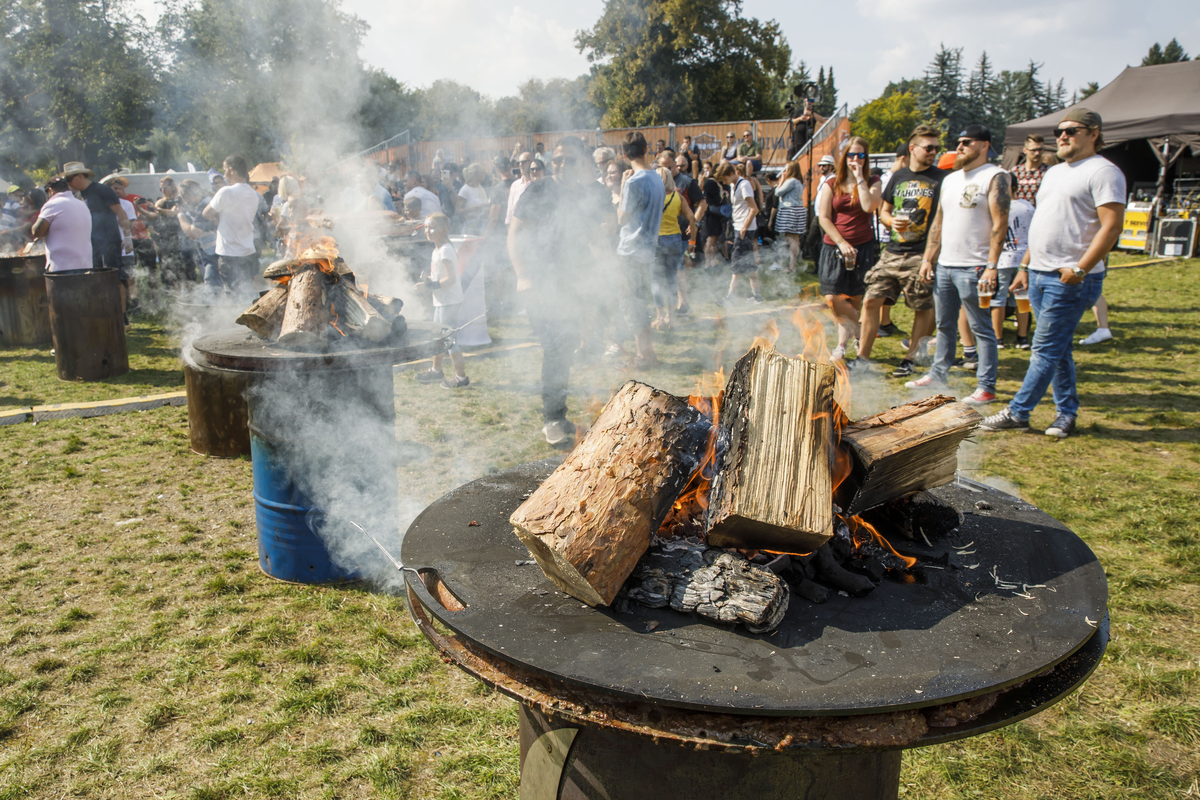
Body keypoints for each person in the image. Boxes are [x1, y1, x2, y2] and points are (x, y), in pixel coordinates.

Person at [980, 108, 1124, 439]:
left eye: (1071, 130)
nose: (1062, 136)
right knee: (1058, 350)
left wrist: (1080, 268)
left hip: (1069, 278)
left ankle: (1018, 412)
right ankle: (1066, 413)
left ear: (1094, 133)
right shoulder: (1055, 172)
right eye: (1060, 131)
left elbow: (1112, 225)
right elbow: (1043, 223)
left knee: (1044, 348)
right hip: (1041, 273)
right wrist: (1026, 265)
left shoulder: (1104, 171)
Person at [508, 136, 613, 446]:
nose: (562, 165)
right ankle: (552, 420)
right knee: (556, 345)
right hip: (539, 284)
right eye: (557, 160)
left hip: (573, 284)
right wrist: (523, 275)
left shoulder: (587, 195)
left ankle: (558, 413)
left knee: (566, 346)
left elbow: (599, 235)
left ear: (583, 163)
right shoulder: (537, 190)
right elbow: (514, 234)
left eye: (570, 160)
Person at [905, 125, 1008, 405]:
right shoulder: (950, 180)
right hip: (946, 266)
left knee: (981, 328)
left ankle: (986, 386)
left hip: (974, 266)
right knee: (944, 325)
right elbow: (938, 222)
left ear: (984, 145)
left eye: (967, 142)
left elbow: (1000, 224)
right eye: (958, 142)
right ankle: (938, 374)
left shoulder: (995, 176)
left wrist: (991, 266)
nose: (959, 147)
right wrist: (928, 258)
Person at [856, 126, 946, 376]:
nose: (933, 152)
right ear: (913, 148)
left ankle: (910, 359)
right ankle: (862, 357)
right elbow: (883, 210)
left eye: (936, 148)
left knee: (921, 305)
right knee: (872, 299)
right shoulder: (898, 177)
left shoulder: (942, 178)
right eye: (929, 147)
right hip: (892, 251)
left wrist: (931, 257)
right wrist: (889, 221)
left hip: (921, 253)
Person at [816, 137, 882, 361]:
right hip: (834, 247)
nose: (855, 159)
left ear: (866, 158)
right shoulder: (832, 182)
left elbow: (869, 206)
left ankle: (843, 344)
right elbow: (824, 217)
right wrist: (841, 242)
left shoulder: (873, 180)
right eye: (852, 155)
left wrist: (860, 178)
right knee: (833, 297)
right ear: (844, 157)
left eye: (861, 155)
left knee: (854, 297)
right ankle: (860, 328)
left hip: (862, 247)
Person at [616, 131, 666, 368]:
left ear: (625, 154)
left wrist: (622, 184)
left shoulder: (634, 182)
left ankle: (641, 356)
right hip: (646, 251)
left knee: (632, 304)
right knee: (639, 302)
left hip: (631, 252)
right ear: (647, 149)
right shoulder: (656, 177)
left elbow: (622, 219)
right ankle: (648, 353)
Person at [413, 213, 470, 388]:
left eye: (432, 227)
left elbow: (451, 279)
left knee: (448, 339)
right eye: (426, 228)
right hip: (441, 300)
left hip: (449, 302)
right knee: (437, 337)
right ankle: (436, 371)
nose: (428, 231)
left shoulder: (445, 250)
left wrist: (429, 286)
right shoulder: (437, 249)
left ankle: (461, 379)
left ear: (443, 230)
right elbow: (440, 276)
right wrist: (428, 280)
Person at [202, 155, 261, 298]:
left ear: (231, 170)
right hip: (247, 251)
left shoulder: (226, 192)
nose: (224, 174)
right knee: (246, 292)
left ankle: (234, 319)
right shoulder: (254, 194)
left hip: (229, 253)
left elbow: (206, 213)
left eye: (224, 170)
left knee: (232, 295)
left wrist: (217, 218)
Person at [651, 166, 698, 330]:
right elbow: (692, 217)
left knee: (656, 280)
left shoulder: (653, 197)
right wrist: (692, 239)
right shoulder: (678, 197)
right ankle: (671, 317)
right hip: (675, 240)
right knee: (671, 278)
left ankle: (659, 316)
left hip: (656, 241)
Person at [63, 162, 128, 274]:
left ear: (80, 176)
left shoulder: (102, 190)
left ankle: (121, 292)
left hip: (109, 242)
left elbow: (121, 213)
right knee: (96, 275)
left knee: (115, 275)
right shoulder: (79, 195)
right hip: (91, 243)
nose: (68, 183)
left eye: (69, 179)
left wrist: (128, 237)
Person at [994, 171, 1034, 349]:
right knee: (1022, 299)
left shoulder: (997, 206)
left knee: (998, 299)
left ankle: (998, 338)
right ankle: (1022, 338)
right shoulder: (1028, 207)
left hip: (1002, 259)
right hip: (1024, 259)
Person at [715, 162, 762, 305]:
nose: (724, 182)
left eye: (724, 179)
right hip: (739, 227)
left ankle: (731, 297)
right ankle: (757, 296)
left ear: (731, 174)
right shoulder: (733, 185)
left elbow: (754, 209)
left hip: (744, 229)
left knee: (737, 265)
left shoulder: (744, 185)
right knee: (748, 265)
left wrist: (744, 228)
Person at [31, 177, 92, 273]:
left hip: (62, 267)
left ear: (50, 190)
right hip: (85, 264)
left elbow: (37, 232)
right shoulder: (82, 205)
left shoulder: (53, 204)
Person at [177, 179, 219, 281]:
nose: (183, 200)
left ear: (191, 194)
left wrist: (180, 214)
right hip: (212, 255)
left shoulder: (204, 205)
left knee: (213, 291)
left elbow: (193, 233)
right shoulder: (205, 203)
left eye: (183, 196)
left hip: (213, 256)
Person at [770, 162, 806, 273]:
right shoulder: (799, 181)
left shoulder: (791, 181)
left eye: (786, 169)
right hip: (798, 210)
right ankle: (793, 264)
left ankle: (792, 266)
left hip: (789, 210)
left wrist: (782, 180)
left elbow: (777, 192)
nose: (784, 171)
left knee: (789, 238)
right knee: (795, 238)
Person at [1013, 135, 1050, 205]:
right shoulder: (1015, 171)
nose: (1037, 153)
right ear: (1025, 150)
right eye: (1033, 150)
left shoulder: (1049, 171)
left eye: (1040, 149)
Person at [455, 163, 489, 235]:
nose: (484, 174)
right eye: (482, 172)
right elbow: (457, 211)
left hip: (482, 226)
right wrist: (472, 209)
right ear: (475, 174)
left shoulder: (480, 188)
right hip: (470, 228)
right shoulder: (465, 190)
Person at [506, 153, 536, 225]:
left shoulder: (537, 184)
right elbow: (510, 209)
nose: (520, 165)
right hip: (516, 226)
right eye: (519, 162)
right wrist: (508, 226)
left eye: (523, 162)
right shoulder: (515, 185)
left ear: (532, 162)